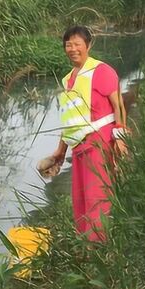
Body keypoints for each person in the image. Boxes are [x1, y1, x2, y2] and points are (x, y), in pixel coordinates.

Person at [50, 25, 127, 243]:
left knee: (97, 198)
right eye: (68, 44)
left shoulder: (101, 71)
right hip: (78, 148)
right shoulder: (68, 80)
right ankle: (84, 246)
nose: (72, 49)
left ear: (88, 45)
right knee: (80, 199)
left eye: (77, 44)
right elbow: (69, 120)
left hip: (99, 143)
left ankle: (99, 249)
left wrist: (120, 137)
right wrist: (59, 151)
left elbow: (118, 105)